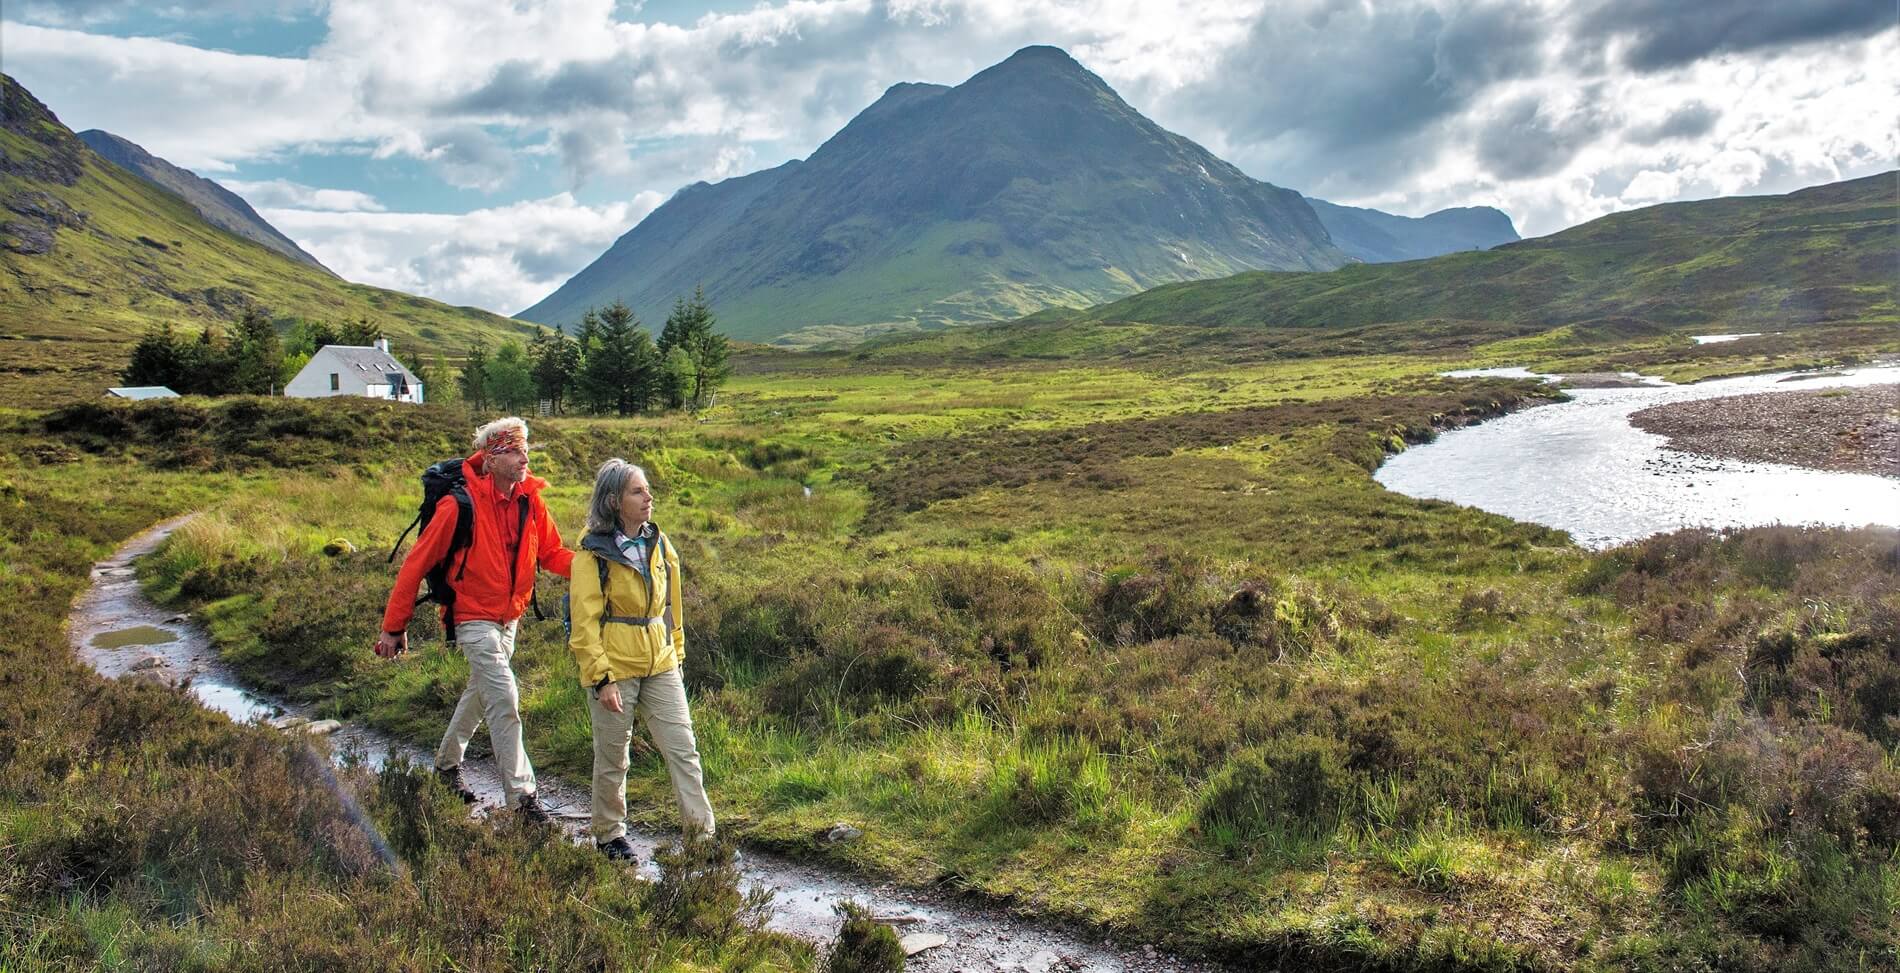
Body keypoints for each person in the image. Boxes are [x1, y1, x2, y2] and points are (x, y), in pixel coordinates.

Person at [374, 417, 575, 822]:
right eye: (517, 452)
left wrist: (599, 566)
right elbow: (414, 566)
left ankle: (446, 767)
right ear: (493, 457)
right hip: (472, 619)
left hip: (510, 618)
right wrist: (394, 627)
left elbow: (552, 554)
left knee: (481, 694)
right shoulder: (457, 505)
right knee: (504, 698)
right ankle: (523, 800)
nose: (525, 459)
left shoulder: (530, 499)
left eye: (526, 450)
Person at [567, 458, 714, 861]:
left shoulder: (659, 543)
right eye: (638, 491)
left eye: (647, 489)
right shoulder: (591, 553)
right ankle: (609, 836)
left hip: (662, 663)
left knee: (683, 749)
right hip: (615, 668)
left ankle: (702, 839)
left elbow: (672, 606)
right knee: (614, 756)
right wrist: (601, 679)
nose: (649, 496)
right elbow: (584, 623)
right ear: (614, 501)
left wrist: (677, 654)